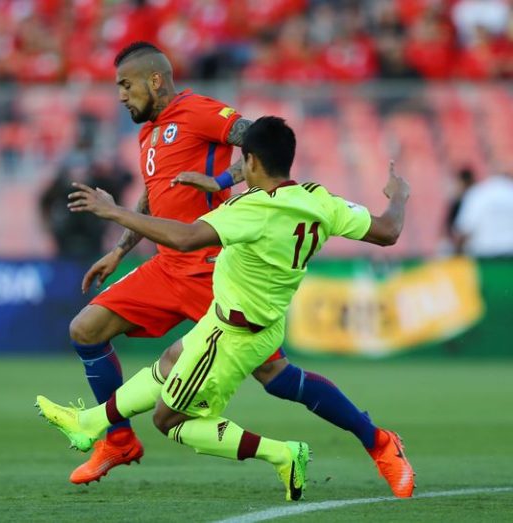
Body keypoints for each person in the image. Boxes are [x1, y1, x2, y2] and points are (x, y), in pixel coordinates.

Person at [67, 41, 408, 499]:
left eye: (126, 85)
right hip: (167, 264)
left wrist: (222, 180)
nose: (121, 95)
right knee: (86, 329)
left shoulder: (199, 111)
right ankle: (118, 440)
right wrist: (121, 249)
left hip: (210, 266)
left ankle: (378, 440)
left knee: (276, 377)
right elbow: (154, 195)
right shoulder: (149, 133)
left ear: (155, 80)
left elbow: (257, 144)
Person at [453, 168, 513, 257]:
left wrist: (457, 254)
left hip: (483, 256)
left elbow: (464, 230)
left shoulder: (477, 193)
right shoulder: (509, 192)